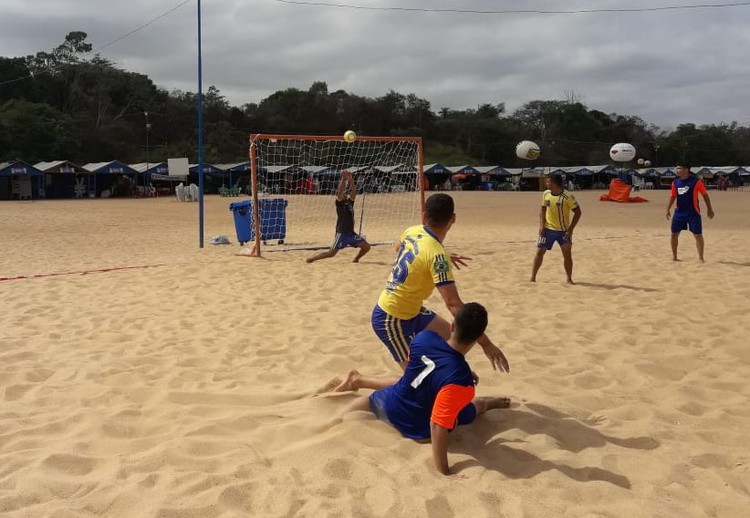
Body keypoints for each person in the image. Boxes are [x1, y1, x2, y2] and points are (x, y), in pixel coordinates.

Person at [335, 303, 510, 477]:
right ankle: (488, 403)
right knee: (474, 405)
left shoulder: (423, 338)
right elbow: (437, 424)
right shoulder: (462, 381)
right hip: (416, 428)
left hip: (390, 405)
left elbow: (431, 365)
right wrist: (444, 471)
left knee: (406, 382)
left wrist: (458, 368)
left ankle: (339, 411)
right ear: (478, 337)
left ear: (453, 326)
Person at [371, 193, 509, 372]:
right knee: (417, 382)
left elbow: (399, 247)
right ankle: (357, 379)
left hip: (412, 310)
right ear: (453, 219)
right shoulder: (437, 255)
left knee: (455, 339)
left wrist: (438, 257)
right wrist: (487, 344)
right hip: (390, 318)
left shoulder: (412, 231)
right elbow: (453, 305)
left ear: (424, 216)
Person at [307, 170, 371, 263]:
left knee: (367, 247)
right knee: (331, 253)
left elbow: (354, 191)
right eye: (342, 194)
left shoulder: (350, 202)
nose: (344, 194)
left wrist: (351, 179)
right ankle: (312, 259)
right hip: (342, 233)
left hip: (351, 233)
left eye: (345, 193)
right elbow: (340, 191)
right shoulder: (339, 203)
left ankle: (356, 259)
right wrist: (343, 178)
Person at [530, 173, 582, 284]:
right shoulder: (546, 194)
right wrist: (541, 225)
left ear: (554, 183)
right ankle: (533, 277)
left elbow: (578, 212)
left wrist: (571, 229)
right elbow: (542, 209)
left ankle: (569, 278)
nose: (546, 183)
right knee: (539, 253)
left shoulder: (567, 197)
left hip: (563, 231)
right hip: (548, 229)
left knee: (567, 255)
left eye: (548, 182)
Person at [665, 162, 715, 262]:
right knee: (674, 234)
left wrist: (709, 208)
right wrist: (668, 208)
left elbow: (705, 195)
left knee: (698, 235)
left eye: (679, 168)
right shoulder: (675, 182)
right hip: (679, 212)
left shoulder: (696, 182)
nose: (677, 170)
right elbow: (673, 196)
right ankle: (674, 257)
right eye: (677, 168)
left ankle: (701, 257)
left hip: (693, 212)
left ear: (686, 170)